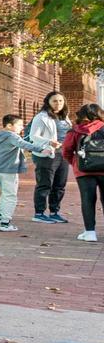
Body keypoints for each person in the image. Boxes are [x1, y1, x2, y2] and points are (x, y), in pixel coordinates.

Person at [0, 114, 52, 231]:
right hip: (8, 169)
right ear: (9, 125)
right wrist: (42, 149)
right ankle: (5, 222)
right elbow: (24, 144)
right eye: (19, 125)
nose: (22, 127)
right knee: (11, 195)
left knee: (6, 193)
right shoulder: (11, 136)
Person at [29, 91, 73, 222]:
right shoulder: (41, 117)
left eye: (60, 101)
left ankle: (54, 212)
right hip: (47, 154)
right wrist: (49, 142)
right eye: (54, 101)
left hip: (63, 154)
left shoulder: (65, 117)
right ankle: (39, 214)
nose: (58, 103)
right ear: (48, 102)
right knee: (45, 184)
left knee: (60, 184)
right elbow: (33, 136)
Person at [63, 102, 104, 242]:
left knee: (87, 199)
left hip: (84, 170)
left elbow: (66, 151)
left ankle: (90, 233)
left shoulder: (75, 130)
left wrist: (75, 164)